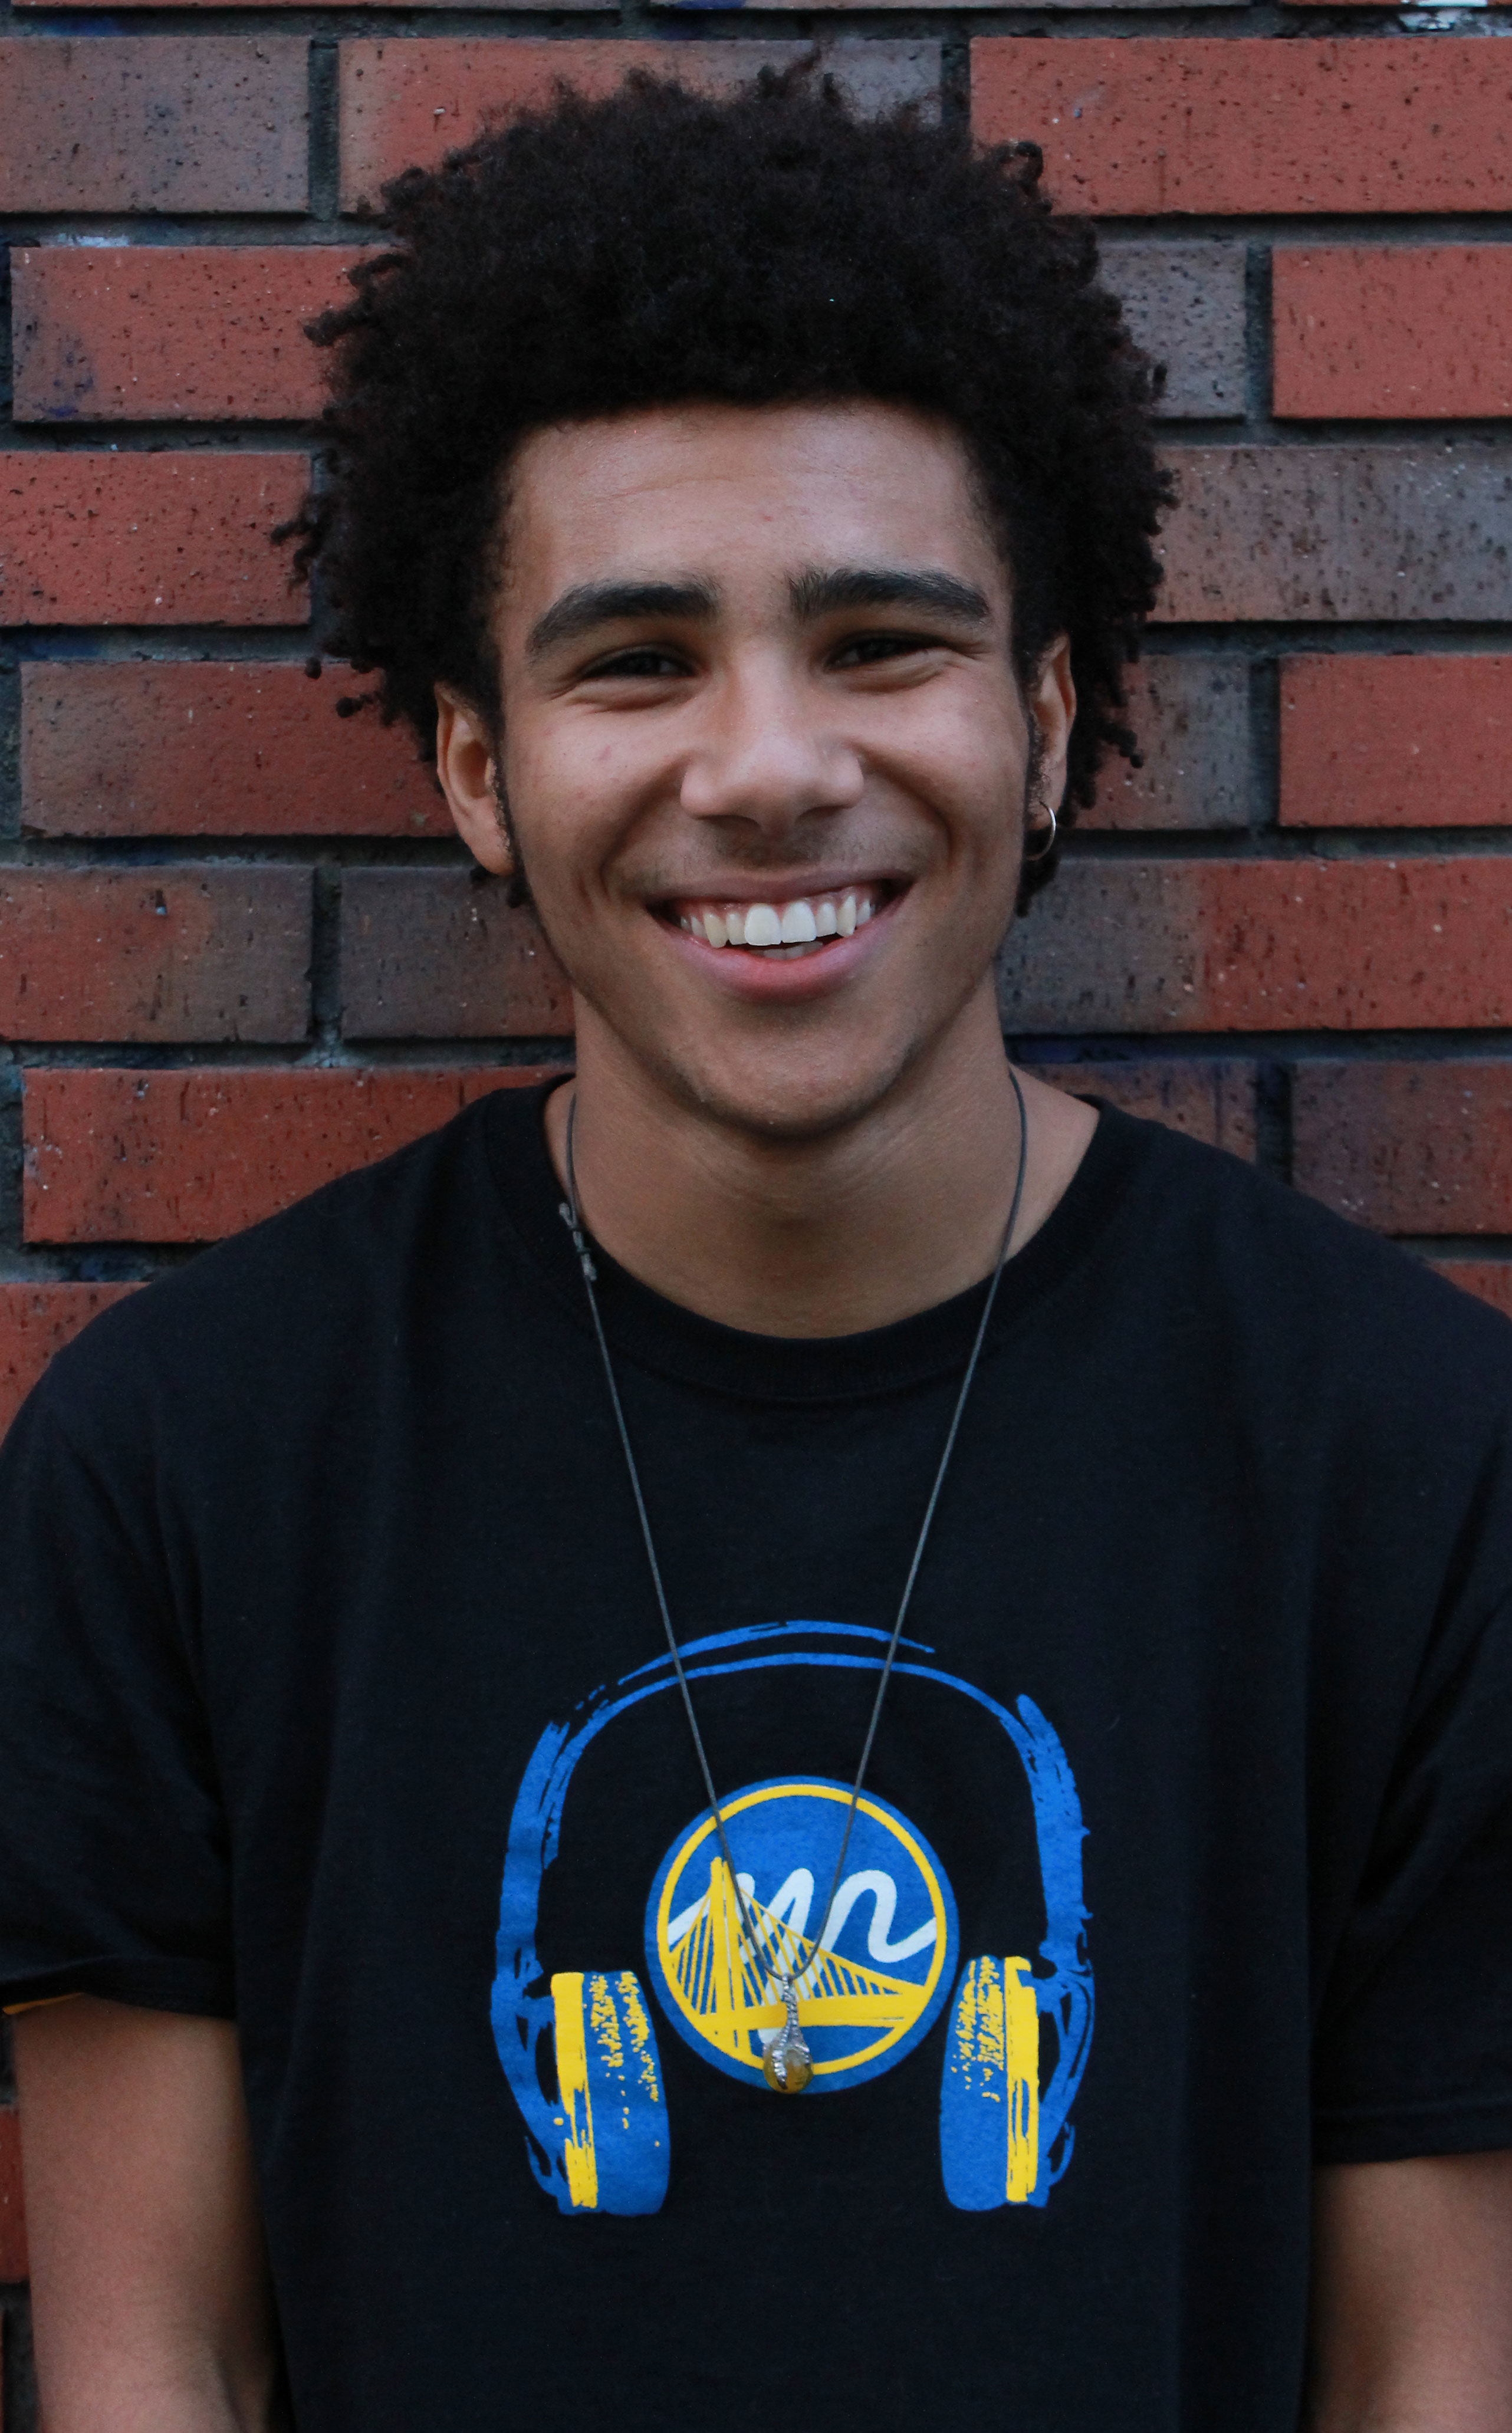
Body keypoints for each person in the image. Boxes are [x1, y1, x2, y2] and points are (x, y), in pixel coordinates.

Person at [2, 70, 1509, 2433]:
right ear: (477, 768)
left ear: (1042, 723)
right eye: (635, 663)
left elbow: (1429, 2372)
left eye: (880, 642)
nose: (769, 768)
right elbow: (144, 2364)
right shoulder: (181, 1466)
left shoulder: (1405, 1457)